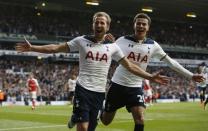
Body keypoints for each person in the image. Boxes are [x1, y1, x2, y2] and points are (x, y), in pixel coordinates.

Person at [15, 12, 169, 131]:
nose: (99, 24)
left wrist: (150, 76)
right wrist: (33, 48)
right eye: (97, 22)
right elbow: (55, 48)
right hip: (82, 89)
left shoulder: (113, 47)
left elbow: (130, 66)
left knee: (90, 128)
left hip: (99, 93)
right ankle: (77, 117)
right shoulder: (81, 41)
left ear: (107, 27)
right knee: (82, 128)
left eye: (102, 22)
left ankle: (75, 117)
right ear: (93, 25)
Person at [100, 13, 205, 131]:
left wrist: (191, 75)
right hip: (117, 85)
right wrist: (105, 42)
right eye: (138, 23)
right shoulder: (122, 41)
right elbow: (106, 54)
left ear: (148, 27)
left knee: (140, 118)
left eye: (144, 24)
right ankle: (102, 109)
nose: (141, 26)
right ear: (134, 25)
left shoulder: (153, 45)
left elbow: (171, 62)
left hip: (135, 87)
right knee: (106, 121)